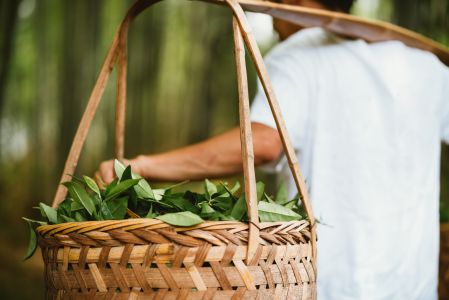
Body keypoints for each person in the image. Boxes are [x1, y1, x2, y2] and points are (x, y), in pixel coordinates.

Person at [97, 0, 449, 298]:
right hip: (413, 286)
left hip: (327, 285)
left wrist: (140, 166)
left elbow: (261, 144)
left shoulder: (300, 52)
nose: (274, 24)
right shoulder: (426, 66)